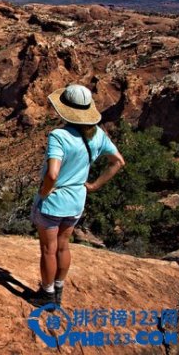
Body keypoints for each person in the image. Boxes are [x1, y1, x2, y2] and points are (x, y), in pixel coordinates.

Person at [30, 84, 125, 307]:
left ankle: (46, 294)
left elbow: (53, 173)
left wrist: (43, 193)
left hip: (53, 203)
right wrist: (93, 186)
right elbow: (118, 162)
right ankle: (59, 290)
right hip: (76, 201)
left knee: (48, 249)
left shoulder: (59, 136)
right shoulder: (98, 134)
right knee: (63, 247)